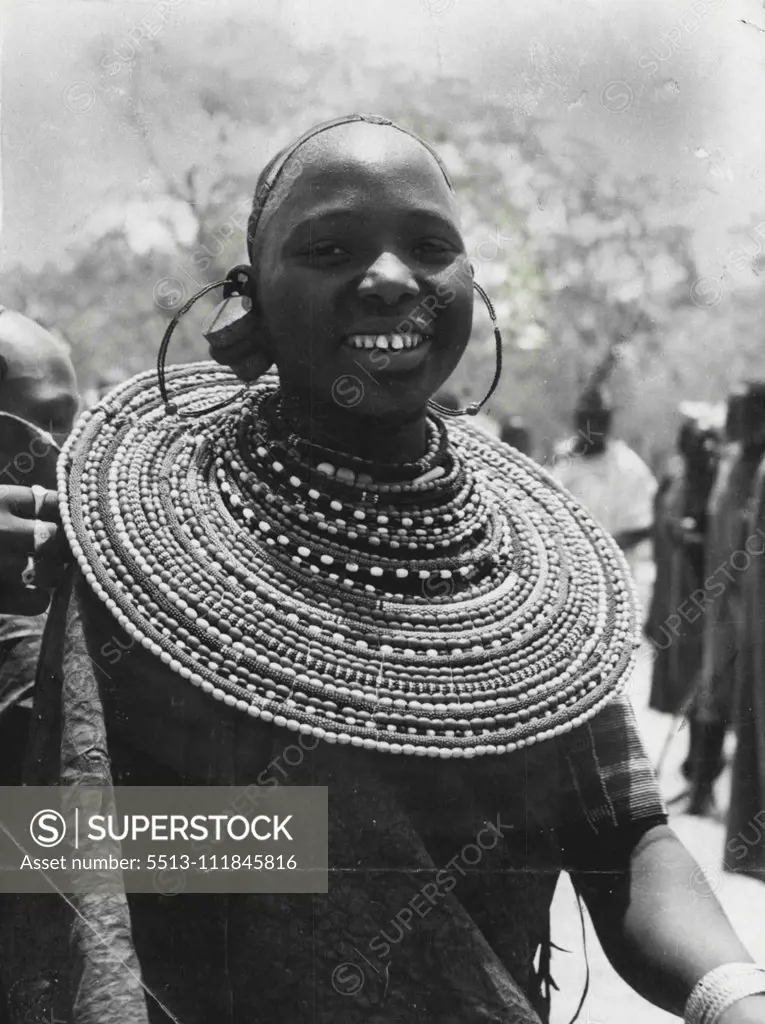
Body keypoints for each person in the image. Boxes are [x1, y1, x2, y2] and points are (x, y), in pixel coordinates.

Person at [8, 114, 765, 1024]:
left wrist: (734, 994)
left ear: (470, 282)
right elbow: (49, 844)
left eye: (430, 246)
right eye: (328, 247)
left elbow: (623, 832)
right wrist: (317, 849)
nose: (390, 279)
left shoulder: (535, 574)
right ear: (249, 298)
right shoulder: (131, 531)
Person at [687, 384, 765, 817]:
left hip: (750, 602)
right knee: (712, 691)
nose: (735, 424)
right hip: (722, 601)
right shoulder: (731, 465)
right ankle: (702, 785)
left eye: (744, 415)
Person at [647, 403, 722, 717]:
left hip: (708, 593)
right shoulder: (672, 482)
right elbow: (660, 535)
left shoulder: (717, 484)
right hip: (675, 592)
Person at [550, 385, 657, 586]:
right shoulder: (562, 461)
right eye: (586, 419)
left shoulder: (628, 467)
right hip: (563, 574)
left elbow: (644, 525)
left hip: (611, 577)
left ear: (608, 422)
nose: (592, 426)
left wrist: (598, 551)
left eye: (599, 419)